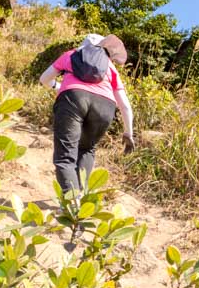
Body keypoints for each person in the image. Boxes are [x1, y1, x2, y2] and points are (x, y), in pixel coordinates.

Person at [39, 33, 135, 195]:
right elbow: (125, 105)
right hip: (105, 106)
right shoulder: (109, 66)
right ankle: (80, 197)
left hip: (73, 99)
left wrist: (58, 86)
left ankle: (72, 201)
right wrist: (128, 133)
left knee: (65, 156)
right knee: (87, 149)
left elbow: (44, 79)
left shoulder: (71, 55)